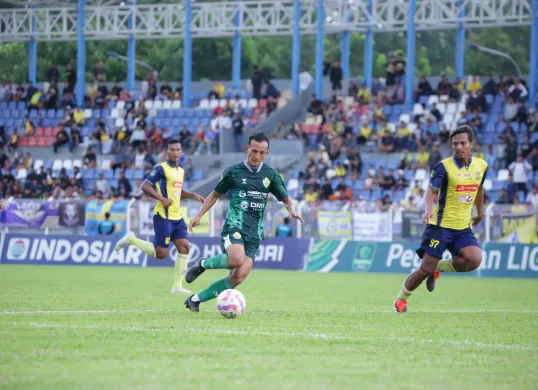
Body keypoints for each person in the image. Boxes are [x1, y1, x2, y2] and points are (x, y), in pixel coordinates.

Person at [184, 133, 304, 312]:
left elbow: (286, 198)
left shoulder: (270, 174)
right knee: (236, 259)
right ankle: (202, 264)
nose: (257, 156)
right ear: (247, 149)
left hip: (254, 234)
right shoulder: (234, 171)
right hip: (235, 225)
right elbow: (215, 194)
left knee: (238, 277)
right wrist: (199, 215)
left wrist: (291, 209)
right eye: (254, 151)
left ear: (267, 153)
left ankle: (195, 299)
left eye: (262, 153)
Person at [394, 125, 488, 313]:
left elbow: (479, 189)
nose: (459, 147)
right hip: (440, 226)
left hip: (462, 226)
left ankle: (439, 267)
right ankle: (401, 298)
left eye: (463, 143)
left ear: (472, 144)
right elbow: (431, 190)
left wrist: (480, 211)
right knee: (424, 271)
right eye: (455, 144)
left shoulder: (481, 165)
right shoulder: (444, 167)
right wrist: (428, 210)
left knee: (474, 259)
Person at [114, 139, 205, 294]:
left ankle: (177, 286)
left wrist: (193, 195)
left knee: (184, 247)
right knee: (161, 254)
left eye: (178, 149)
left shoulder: (181, 171)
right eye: (172, 150)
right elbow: (145, 186)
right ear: (166, 151)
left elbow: (177, 192)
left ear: (181, 152)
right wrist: (161, 199)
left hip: (177, 216)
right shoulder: (160, 169)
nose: (175, 152)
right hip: (163, 216)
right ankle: (131, 239)